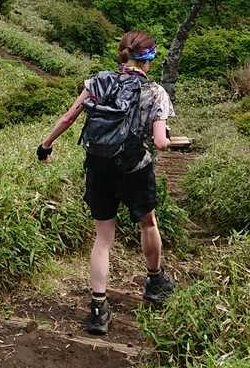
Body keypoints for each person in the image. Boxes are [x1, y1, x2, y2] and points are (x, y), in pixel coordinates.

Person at [36, 30, 175, 335]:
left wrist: (46, 145)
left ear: (122, 54)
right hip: (135, 168)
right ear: (148, 60)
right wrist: (172, 141)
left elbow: (69, 117)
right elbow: (160, 142)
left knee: (103, 238)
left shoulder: (98, 81)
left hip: (98, 166)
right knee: (148, 224)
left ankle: (99, 309)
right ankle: (155, 282)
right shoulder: (155, 92)